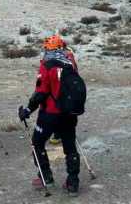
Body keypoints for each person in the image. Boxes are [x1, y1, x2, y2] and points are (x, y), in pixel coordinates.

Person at [18, 35, 81, 197]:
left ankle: (46, 176)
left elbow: (41, 92)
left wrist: (27, 110)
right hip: (69, 114)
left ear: (47, 49)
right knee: (70, 147)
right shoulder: (70, 63)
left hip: (50, 114)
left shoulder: (47, 65)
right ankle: (73, 182)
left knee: (37, 143)